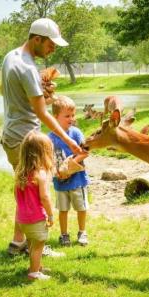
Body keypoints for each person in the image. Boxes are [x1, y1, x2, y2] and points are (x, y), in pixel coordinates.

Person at [1, 17, 83, 256]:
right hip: (26, 141)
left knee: (25, 192)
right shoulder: (27, 68)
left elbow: (28, 101)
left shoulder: (11, 57)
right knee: (37, 194)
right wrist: (69, 140)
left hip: (11, 135)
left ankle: (18, 244)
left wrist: (44, 94)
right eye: (50, 43)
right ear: (37, 39)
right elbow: (42, 113)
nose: (53, 48)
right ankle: (38, 246)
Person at [14, 130, 63, 280]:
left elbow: (16, 195)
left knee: (31, 243)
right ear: (43, 153)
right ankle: (34, 273)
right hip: (36, 218)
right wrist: (50, 214)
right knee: (38, 245)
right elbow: (45, 197)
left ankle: (36, 267)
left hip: (22, 219)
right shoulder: (41, 174)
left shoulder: (21, 173)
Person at [48, 96, 90, 246]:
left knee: (81, 207)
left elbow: (85, 152)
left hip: (78, 179)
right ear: (55, 118)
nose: (71, 118)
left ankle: (82, 232)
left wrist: (71, 164)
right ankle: (64, 235)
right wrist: (57, 170)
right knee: (63, 209)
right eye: (67, 116)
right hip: (60, 181)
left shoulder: (76, 133)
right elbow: (48, 158)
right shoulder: (50, 137)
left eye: (73, 115)